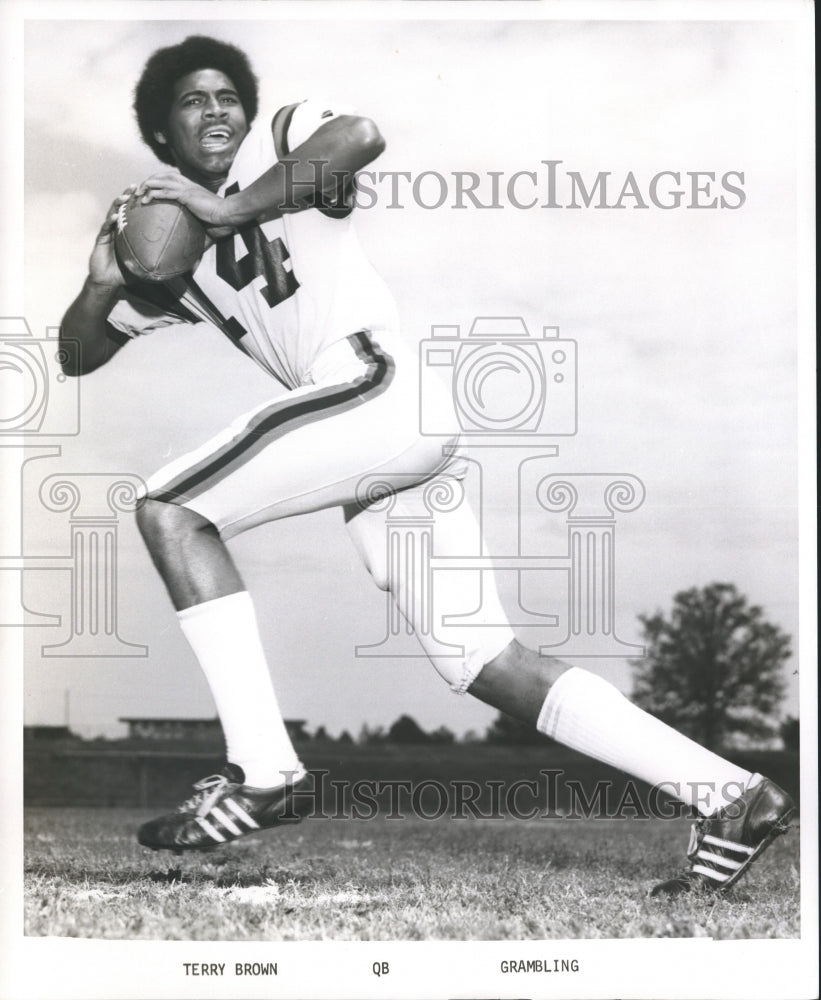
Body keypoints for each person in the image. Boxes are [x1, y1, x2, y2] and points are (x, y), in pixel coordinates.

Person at [60, 35, 794, 897]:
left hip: (376, 387)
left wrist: (228, 210)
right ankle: (731, 794)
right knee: (482, 660)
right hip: (375, 436)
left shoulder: (280, 142)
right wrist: (103, 283)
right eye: (192, 101)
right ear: (160, 134)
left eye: (227, 95)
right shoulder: (174, 239)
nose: (216, 109)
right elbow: (78, 353)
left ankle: (264, 769)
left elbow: (359, 137)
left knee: (171, 509)